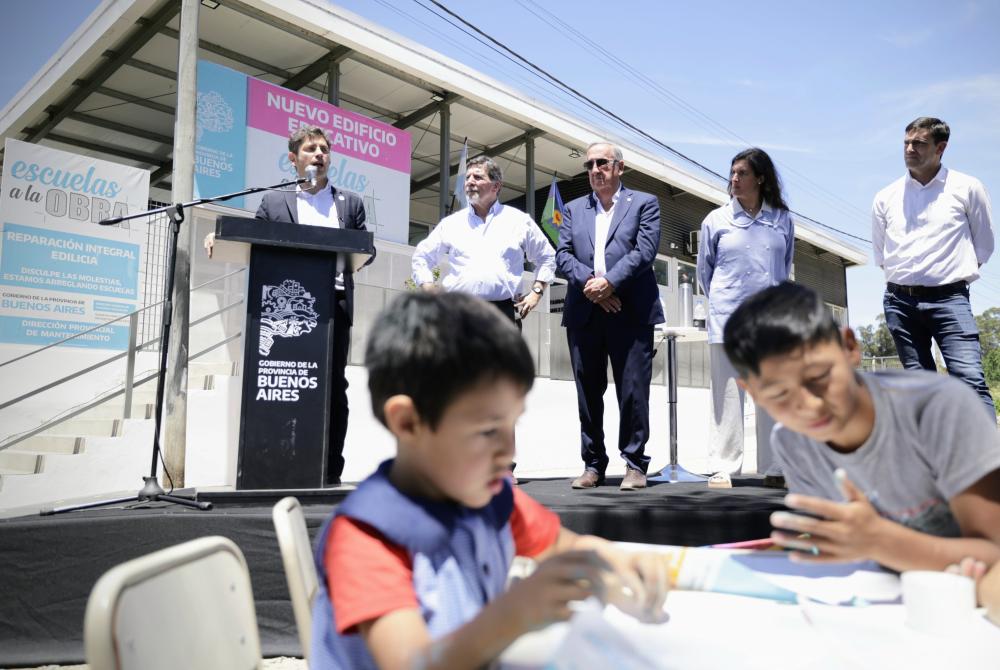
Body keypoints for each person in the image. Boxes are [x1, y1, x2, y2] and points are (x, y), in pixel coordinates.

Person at [309, 292, 670, 669]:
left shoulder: (490, 497)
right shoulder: (366, 538)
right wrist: (513, 615)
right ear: (408, 422)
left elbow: (567, 546)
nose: (506, 450)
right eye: (487, 430)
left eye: (511, 424)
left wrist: (618, 560)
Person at [722, 281, 1000, 572]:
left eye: (819, 377)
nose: (810, 405)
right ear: (751, 392)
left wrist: (879, 542)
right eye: (780, 395)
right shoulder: (792, 443)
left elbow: (994, 552)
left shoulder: (938, 408)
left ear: (849, 347)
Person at [205, 125, 373, 487]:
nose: (319, 155)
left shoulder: (351, 203)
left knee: (332, 387)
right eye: (311, 149)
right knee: (286, 382)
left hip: (334, 304)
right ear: (293, 158)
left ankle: (329, 470)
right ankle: (276, 463)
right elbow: (255, 240)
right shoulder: (273, 202)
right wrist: (216, 234)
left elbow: (365, 252)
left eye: (324, 149)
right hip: (284, 312)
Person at [556, 142, 664, 491]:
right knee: (588, 392)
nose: (594, 169)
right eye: (589, 164)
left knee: (633, 390)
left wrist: (610, 283)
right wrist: (593, 286)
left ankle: (634, 464)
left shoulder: (645, 204)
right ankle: (592, 464)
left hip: (630, 311)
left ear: (619, 167)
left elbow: (644, 252)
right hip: (585, 310)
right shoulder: (573, 209)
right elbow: (562, 255)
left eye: (602, 162)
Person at [872, 116, 996, 416]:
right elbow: (882, 254)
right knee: (919, 387)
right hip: (900, 302)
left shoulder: (967, 188)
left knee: (969, 382)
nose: (910, 149)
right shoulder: (885, 197)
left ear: (940, 148)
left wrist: (948, 276)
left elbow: (984, 245)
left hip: (950, 300)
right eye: (906, 143)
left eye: (919, 143)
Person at [696, 148, 795, 489]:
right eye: (733, 173)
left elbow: (784, 268)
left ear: (761, 178)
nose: (734, 179)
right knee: (726, 396)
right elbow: (704, 272)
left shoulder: (782, 219)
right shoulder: (715, 220)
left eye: (742, 173)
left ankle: (776, 466)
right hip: (728, 319)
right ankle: (723, 466)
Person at [411, 155, 555, 323]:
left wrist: (536, 293)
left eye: (478, 177)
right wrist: (429, 288)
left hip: (502, 315)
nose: (470, 182)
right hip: (457, 313)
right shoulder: (451, 223)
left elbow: (547, 257)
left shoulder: (519, 221)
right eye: (467, 178)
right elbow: (421, 256)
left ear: (496, 186)